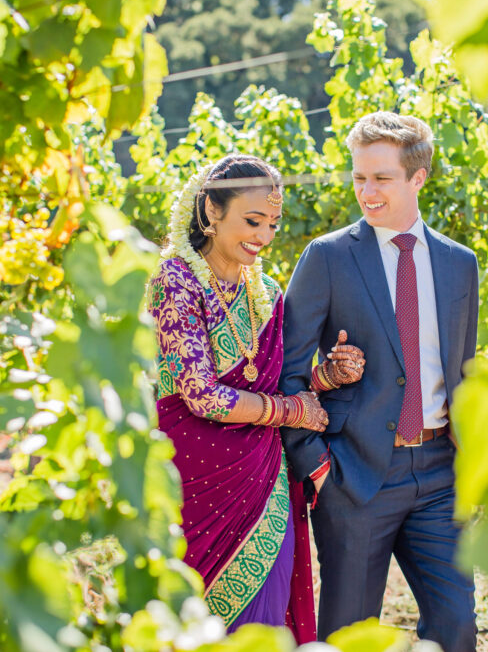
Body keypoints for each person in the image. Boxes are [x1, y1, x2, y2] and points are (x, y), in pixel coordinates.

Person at [280, 113, 480, 651]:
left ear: (418, 177)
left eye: (381, 179)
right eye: (359, 178)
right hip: (354, 476)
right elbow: (287, 371)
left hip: (440, 474)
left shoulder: (460, 264)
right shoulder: (327, 257)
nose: (367, 193)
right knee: (348, 637)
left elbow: (463, 372)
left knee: (458, 627)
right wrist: (318, 467)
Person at [146, 154, 365, 643]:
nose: (264, 235)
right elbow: (202, 395)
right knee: (190, 628)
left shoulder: (265, 290)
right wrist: (292, 411)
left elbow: (279, 381)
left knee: (262, 628)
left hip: (261, 488)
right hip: (194, 486)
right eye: (252, 221)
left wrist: (327, 376)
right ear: (211, 210)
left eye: (273, 223)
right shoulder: (175, 281)